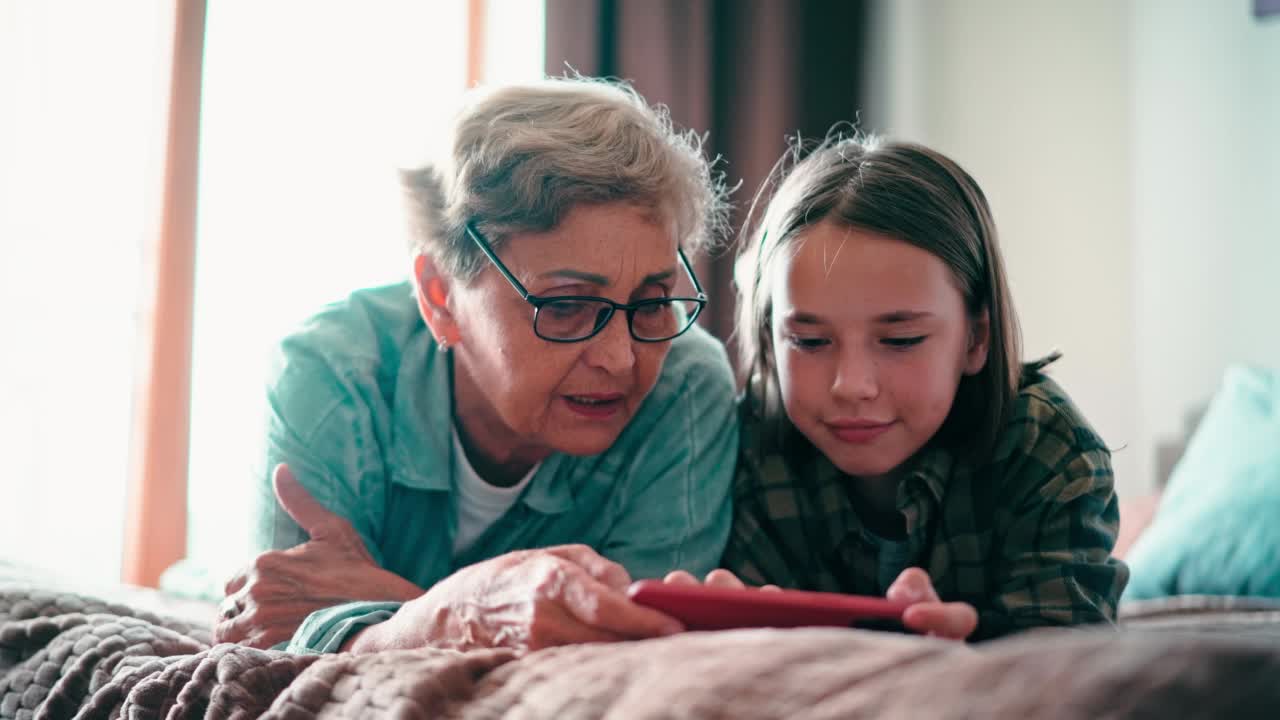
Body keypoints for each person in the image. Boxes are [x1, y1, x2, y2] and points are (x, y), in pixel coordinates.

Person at [212, 77, 738, 654]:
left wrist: (415, 615)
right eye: (564, 306)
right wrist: (462, 613)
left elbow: (636, 653)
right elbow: (272, 644)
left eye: (652, 302)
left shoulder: (687, 387)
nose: (620, 359)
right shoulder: (331, 372)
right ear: (441, 296)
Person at [668, 133, 1128, 641]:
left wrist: (980, 636)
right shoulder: (753, 447)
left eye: (901, 340)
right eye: (811, 341)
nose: (853, 386)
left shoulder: (1046, 447)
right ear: (769, 338)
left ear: (976, 338)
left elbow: (1074, 639)